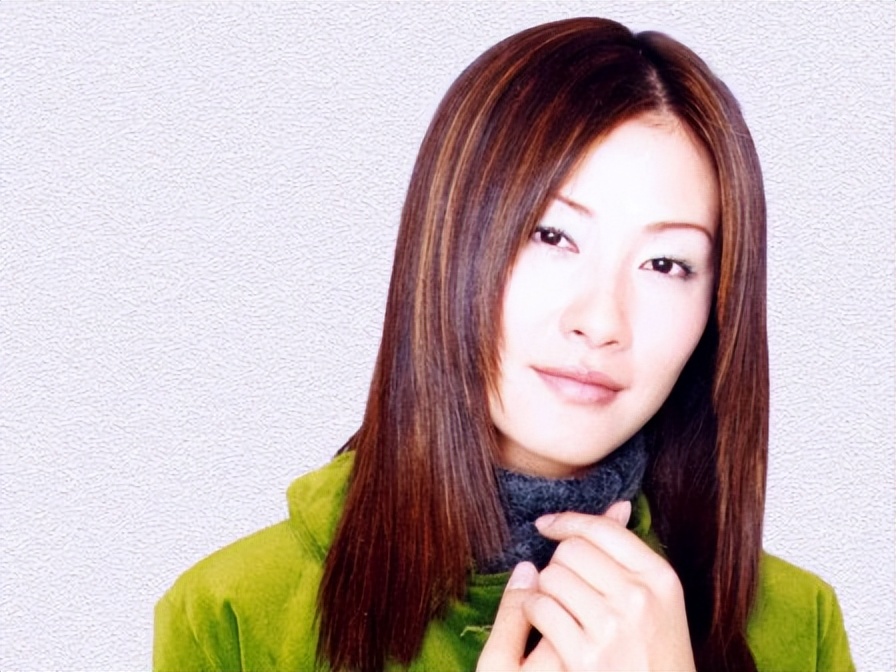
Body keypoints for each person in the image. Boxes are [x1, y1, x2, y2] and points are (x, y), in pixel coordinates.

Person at [154, 17, 854, 671]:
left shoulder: (798, 624)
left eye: (666, 264)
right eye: (552, 235)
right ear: (451, 244)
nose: (601, 320)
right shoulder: (232, 616)